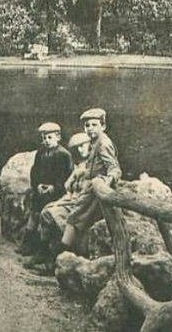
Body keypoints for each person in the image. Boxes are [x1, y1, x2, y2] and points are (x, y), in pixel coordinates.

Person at [23, 132, 95, 271]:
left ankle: (55, 261)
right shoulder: (80, 164)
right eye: (78, 148)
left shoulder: (95, 164)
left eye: (83, 146)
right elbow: (69, 185)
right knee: (46, 211)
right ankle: (44, 254)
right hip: (72, 198)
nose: (81, 150)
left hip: (86, 203)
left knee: (53, 216)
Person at [59, 107, 122, 252]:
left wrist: (108, 180)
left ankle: (62, 252)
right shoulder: (94, 142)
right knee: (75, 214)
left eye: (94, 125)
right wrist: (80, 173)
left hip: (96, 189)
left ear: (103, 126)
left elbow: (114, 168)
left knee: (74, 217)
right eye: (87, 125)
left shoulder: (103, 143)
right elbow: (90, 166)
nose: (90, 128)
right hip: (88, 187)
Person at [21, 122, 72, 257]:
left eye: (49, 137)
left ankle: (42, 252)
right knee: (33, 215)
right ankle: (28, 247)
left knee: (46, 219)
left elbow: (66, 176)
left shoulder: (63, 155)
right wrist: (37, 185)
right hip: (40, 191)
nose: (46, 141)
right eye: (43, 138)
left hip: (55, 194)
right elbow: (35, 172)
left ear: (58, 137)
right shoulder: (41, 153)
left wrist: (54, 188)